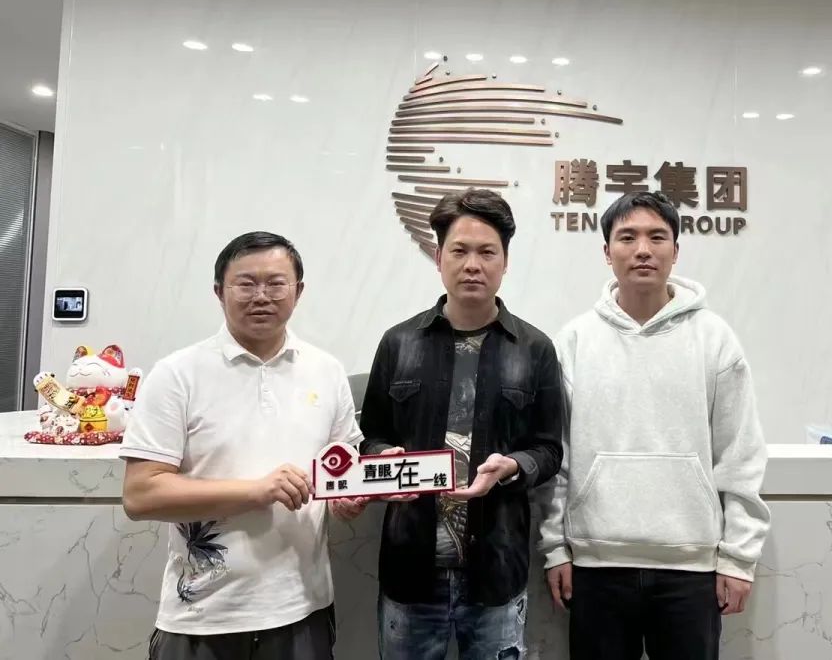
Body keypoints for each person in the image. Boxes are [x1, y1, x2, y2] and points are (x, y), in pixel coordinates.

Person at [538, 191, 771, 660]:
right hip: (595, 567)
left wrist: (738, 556)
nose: (642, 249)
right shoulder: (575, 340)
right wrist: (556, 548)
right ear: (607, 252)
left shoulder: (714, 338)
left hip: (692, 569)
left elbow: (739, 452)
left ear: (675, 251)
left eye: (656, 237)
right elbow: (557, 456)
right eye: (627, 237)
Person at [121, 231, 365, 660]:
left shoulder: (326, 372)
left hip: (302, 610)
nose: (262, 296)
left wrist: (350, 497)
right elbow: (141, 494)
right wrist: (257, 491)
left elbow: (342, 467)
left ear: (298, 291)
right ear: (219, 291)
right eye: (246, 283)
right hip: (201, 617)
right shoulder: (176, 374)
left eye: (276, 284)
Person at [359, 189, 562, 660]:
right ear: (438, 258)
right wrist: (383, 458)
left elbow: (549, 449)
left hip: (496, 571)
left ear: (505, 262)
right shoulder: (398, 343)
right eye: (460, 251)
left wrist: (512, 466)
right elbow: (371, 436)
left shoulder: (535, 349)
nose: (473, 264)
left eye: (487, 252)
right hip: (410, 571)